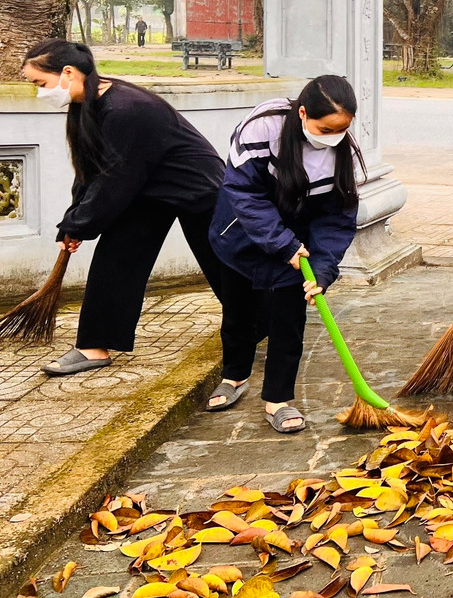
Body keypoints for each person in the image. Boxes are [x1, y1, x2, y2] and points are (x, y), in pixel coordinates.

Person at [19, 39, 227, 376]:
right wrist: (72, 222)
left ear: (68, 73)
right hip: (149, 187)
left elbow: (115, 181)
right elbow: (89, 170)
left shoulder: (125, 108)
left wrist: (83, 223)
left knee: (223, 265)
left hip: (197, 187)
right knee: (117, 256)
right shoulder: (87, 104)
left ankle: (263, 323)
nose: (40, 92)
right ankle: (94, 346)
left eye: (40, 83)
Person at [206, 76, 363, 433]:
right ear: (303, 113)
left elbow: (337, 219)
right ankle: (234, 376)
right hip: (243, 232)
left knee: (288, 319)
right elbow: (243, 192)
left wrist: (322, 269)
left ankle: (278, 399)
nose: (333, 138)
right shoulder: (264, 126)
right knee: (238, 310)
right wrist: (282, 243)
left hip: (300, 243)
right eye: (325, 129)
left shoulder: (343, 153)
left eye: (342, 130)